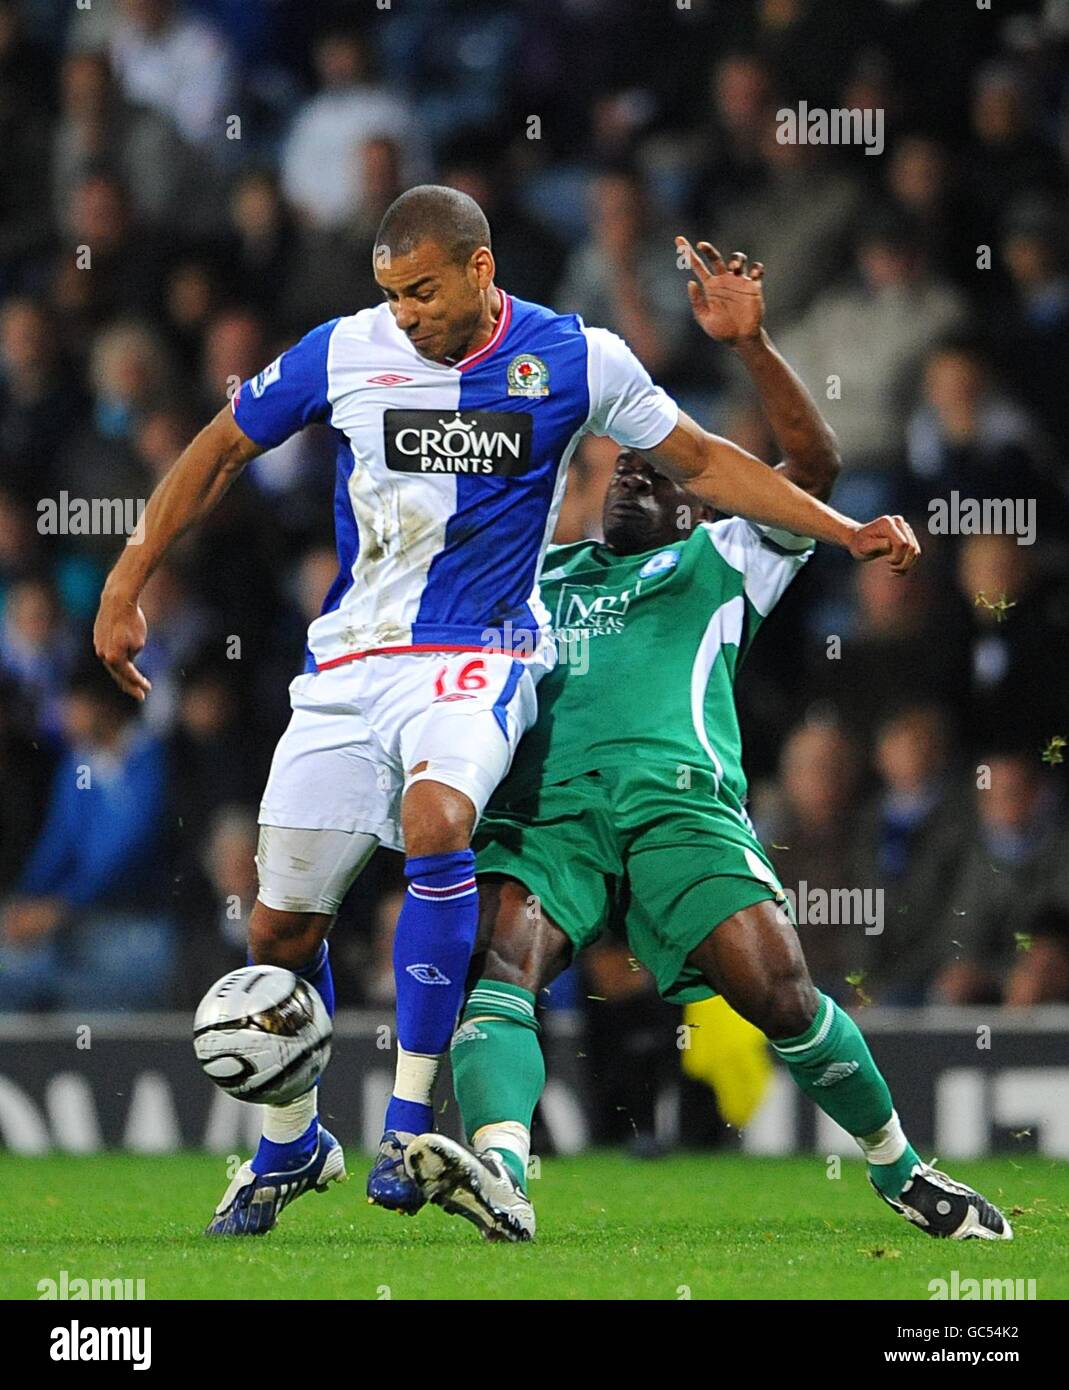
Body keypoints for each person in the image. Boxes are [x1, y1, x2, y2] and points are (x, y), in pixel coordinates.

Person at [93, 184, 918, 1235]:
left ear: (480, 270)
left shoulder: (575, 358)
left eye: (423, 291)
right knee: (277, 929)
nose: (405, 314)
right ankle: (293, 1143)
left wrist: (842, 530)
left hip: (481, 652)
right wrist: (128, 578)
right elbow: (219, 447)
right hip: (351, 663)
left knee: (439, 825)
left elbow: (707, 462)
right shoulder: (344, 349)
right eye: (391, 294)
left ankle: (404, 1124)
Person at [398, 267, 1007, 1245]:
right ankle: (503, 1174)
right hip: (551, 809)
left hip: (678, 805)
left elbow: (811, 468)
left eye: (662, 469)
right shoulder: (535, 577)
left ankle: (902, 1171)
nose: (635, 473)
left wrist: (751, 347)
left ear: (706, 498)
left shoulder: (727, 558)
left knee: (782, 994)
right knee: (505, 968)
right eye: (620, 465)